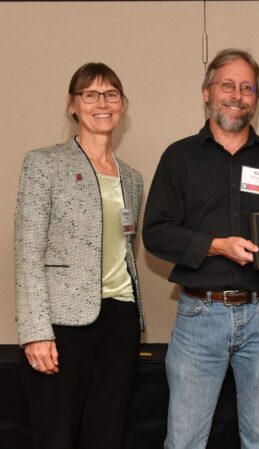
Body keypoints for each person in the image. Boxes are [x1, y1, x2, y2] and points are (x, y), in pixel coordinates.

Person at [142, 48, 259, 449]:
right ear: (206, 92)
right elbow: (155, 233)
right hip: (201, 314)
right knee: (184, 440)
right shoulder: (179, 157)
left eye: (247, 87)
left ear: (257, 98)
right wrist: (215, 246)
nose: (237, 94)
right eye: (227, 85)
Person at [14, 63, 145, 449]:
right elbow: (27, 252)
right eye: (90, 94)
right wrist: (36, 333)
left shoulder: (133, 178)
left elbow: (126, 248)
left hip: (120, 318)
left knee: (108, 433)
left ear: (122, 105)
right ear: (73, 105)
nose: (101, 103)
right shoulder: (43, 164)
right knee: (55, 434)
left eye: (111, 94)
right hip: (62, 322)